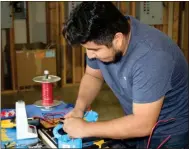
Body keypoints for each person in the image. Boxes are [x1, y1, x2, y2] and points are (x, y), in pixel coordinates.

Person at [62, 2, 188, 149]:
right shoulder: (105, 37)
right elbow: (93, 76)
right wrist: (79, 108)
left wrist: (85, 128)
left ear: (118, 39)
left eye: (94, 49)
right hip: (136, 123)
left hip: (170, 135)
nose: (90, 55)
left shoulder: (152, 56)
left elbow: (143, 124)